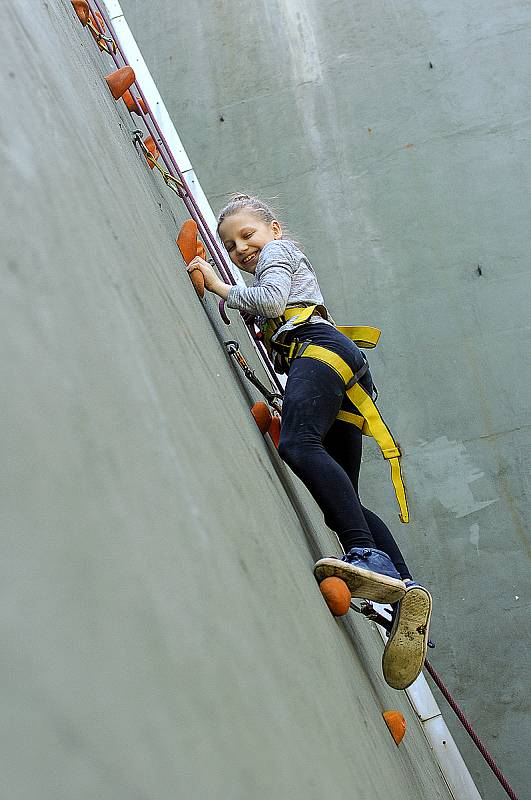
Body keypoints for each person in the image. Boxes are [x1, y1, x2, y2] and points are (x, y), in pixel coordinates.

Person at [187, 194, 431, 689]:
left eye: (248, 236)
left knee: (298, 447)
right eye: (231, 247)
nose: (241, 250)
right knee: (343, 496)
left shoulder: (279, 255)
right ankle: (406, 593)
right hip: (341, 369)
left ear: (273, 229)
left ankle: (367, 555)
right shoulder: (276, 261)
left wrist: (218, 283)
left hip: (319, 351)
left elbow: (272, 300)